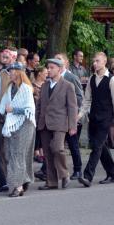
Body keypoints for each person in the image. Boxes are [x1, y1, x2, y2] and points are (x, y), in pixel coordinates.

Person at [78, 52, 114, 187]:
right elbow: (87, 100)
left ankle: (87, 176)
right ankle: (112, 174)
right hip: (93, 118)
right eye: (94, 61)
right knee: (101, 147)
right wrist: (80, 115)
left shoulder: (113, 80)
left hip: (105, 118)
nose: (94, 63)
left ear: (104, 61)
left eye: (97, 61)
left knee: (96, 147)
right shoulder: (91, 79)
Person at [36, 59, 78, 190]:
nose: (48, 70)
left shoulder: (67, 85)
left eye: (52, 67)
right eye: (47, 67)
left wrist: (72, 126)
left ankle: (64, 174)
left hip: (60, 124)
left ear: (59, 69)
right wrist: (37, 122)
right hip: (44, 124)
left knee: (57, 148)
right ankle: (51, 182)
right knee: (47, 153)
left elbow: (72, 107)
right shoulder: (44, 86)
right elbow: (39, 106)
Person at [0, 62, 36, 197]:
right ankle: (24, 179)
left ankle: (18, 187)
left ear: (19, 72)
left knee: (17, 154)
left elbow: (30, 109)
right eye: (10, 71)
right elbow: (2, 105)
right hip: (11, 124)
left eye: (13, 71)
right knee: (7, 153)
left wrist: (14, 109)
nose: (10, 73)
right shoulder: (10, 88)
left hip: (25, 124)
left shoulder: (26, 89)